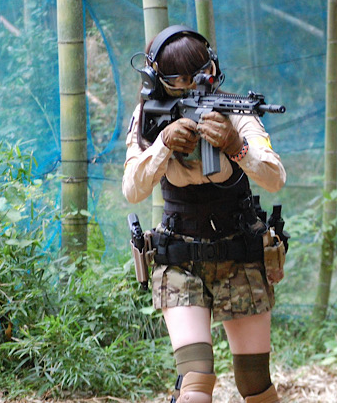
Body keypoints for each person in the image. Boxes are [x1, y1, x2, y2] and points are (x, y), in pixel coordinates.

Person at [122, 25, 286, 403]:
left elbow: (275, 177)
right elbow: (132, 188)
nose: (188, 85)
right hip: (179, 257)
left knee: (255, 386)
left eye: (197, 75)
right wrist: (162, 145)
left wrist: (235, 146)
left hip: (240, 251)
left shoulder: (233, 111)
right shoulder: (148, 116)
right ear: (155, 79)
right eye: (175, 79)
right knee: (195, 384)